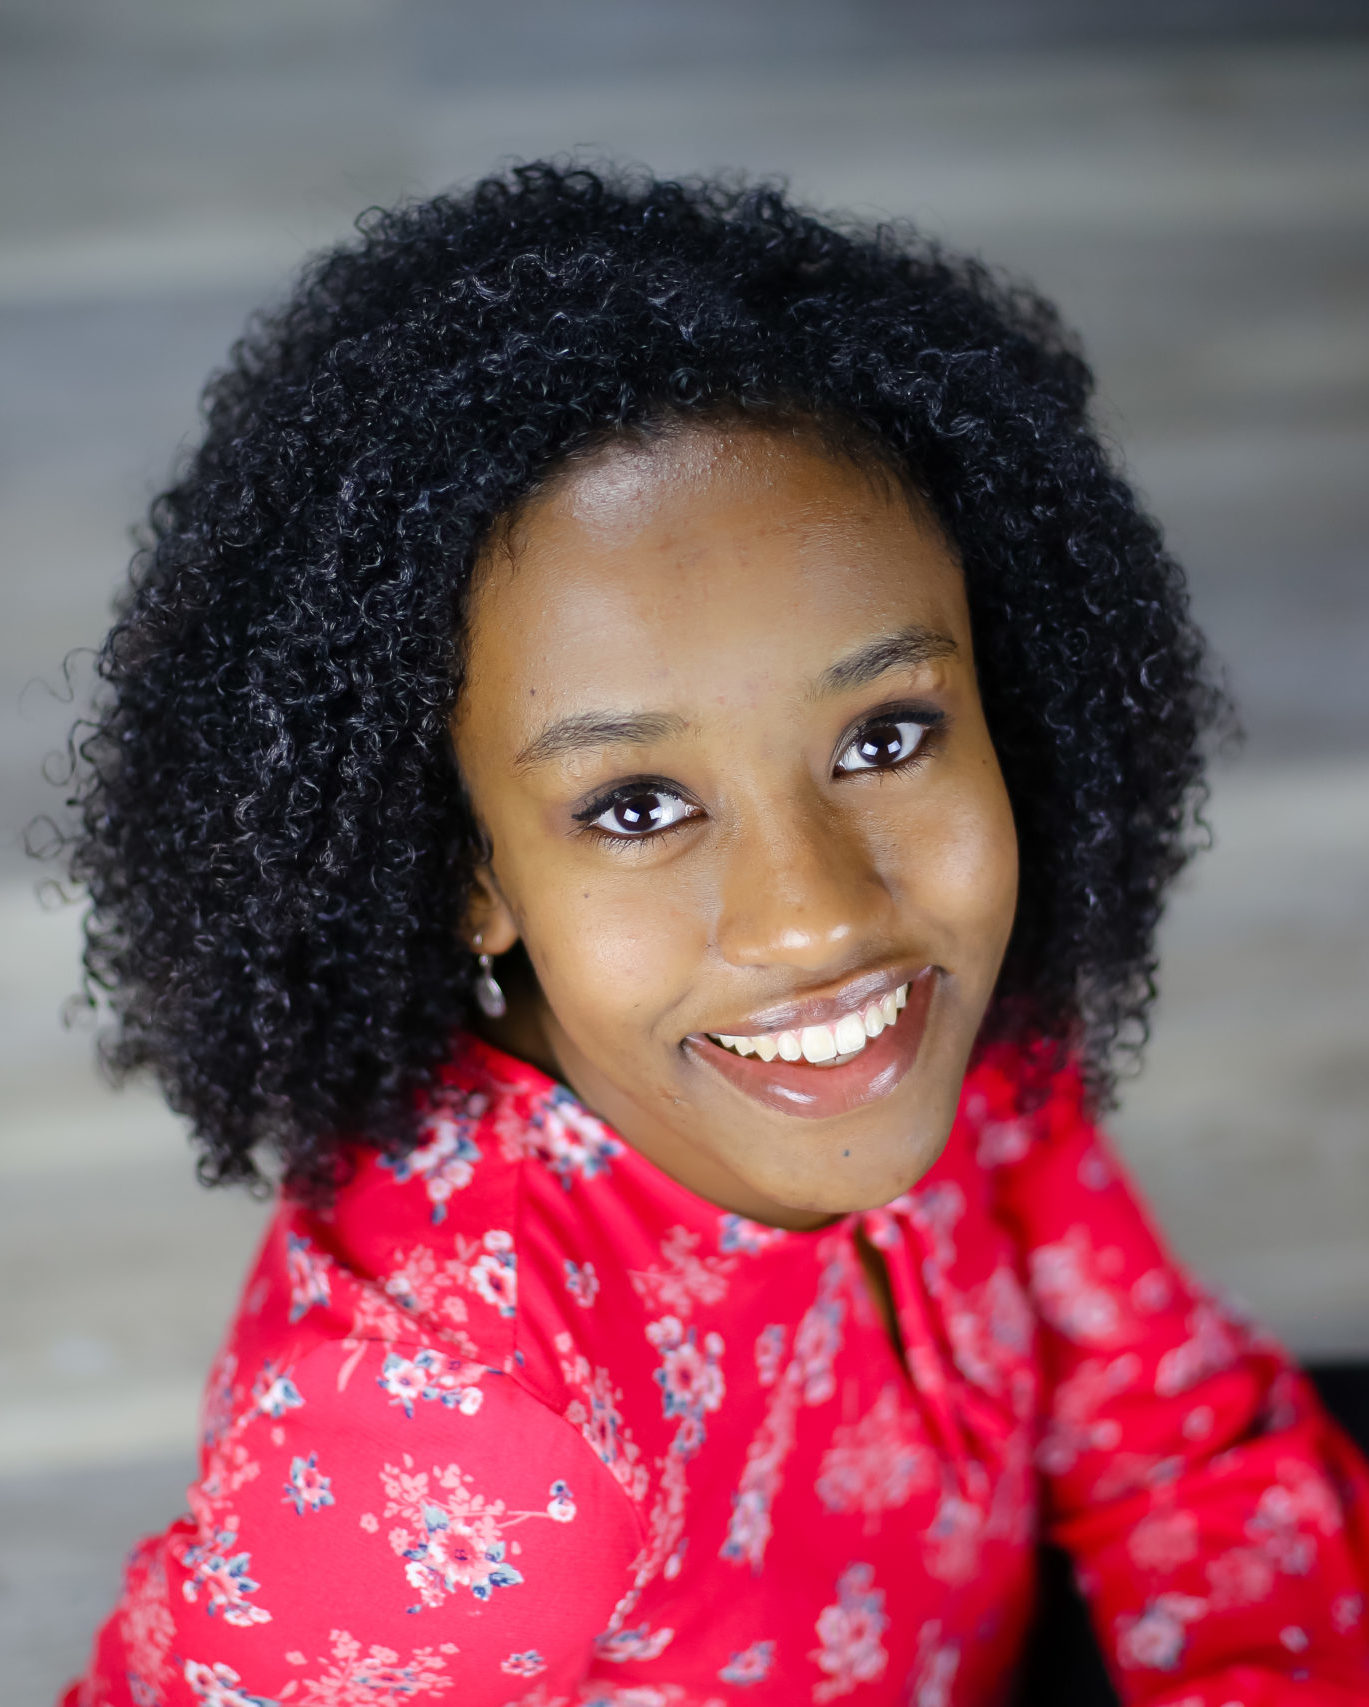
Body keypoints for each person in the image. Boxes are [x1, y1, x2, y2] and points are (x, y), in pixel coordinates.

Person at [58, 163, 1369, 1707]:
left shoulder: (941, 1011)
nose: (817, 913)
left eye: (884, 738)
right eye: (632, 807)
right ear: (464, 869)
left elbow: (1175, 1436)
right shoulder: (440, 1458)